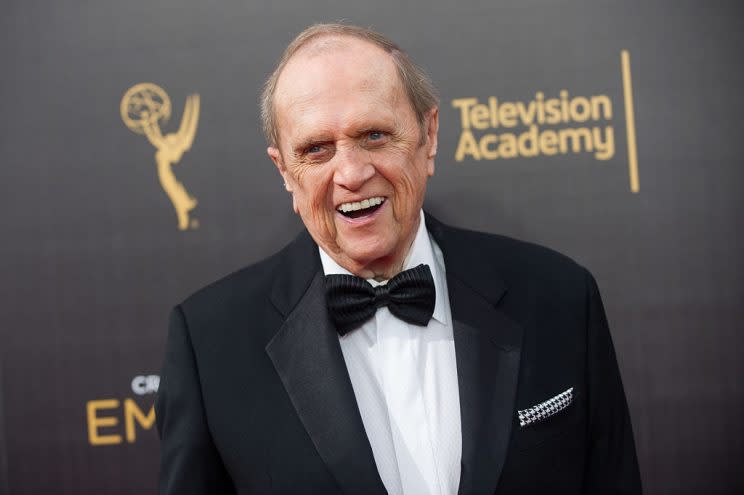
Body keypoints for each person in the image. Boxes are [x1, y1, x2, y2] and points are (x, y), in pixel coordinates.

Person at [155, 23, 642, 494]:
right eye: (317, 149)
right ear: (284, 171)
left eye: (373, 136)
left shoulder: (558, 296)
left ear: (428, 137)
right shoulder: (211, 344)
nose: (351, 172)